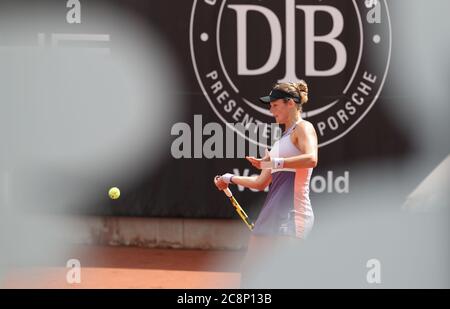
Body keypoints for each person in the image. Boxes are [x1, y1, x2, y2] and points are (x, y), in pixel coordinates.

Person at [214, 81, 318, 287]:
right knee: (249, 270)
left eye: (274, 104)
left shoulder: (304, 128)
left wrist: (276, 162)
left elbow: (311, 158)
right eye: (269, 105)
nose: (270, 109)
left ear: (290, 103)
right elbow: (261, 182)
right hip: (270, 214)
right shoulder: (280, 143)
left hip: (292, 214)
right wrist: (228, 179)